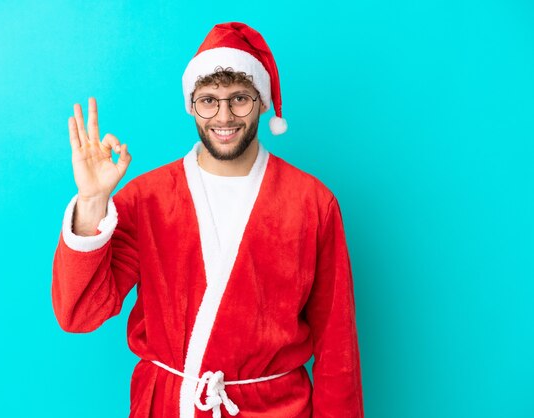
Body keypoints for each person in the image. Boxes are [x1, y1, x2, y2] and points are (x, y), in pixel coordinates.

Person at [52, 22, 364, 418]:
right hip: (169, 407)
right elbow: (79, 313)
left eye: (239, 99)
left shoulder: (313, 203)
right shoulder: (146, 198)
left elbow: (339, 347)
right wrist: (93, 200)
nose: (224, 115)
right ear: (191, 104)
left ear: (262, 101)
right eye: (208, 100)